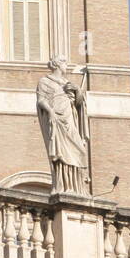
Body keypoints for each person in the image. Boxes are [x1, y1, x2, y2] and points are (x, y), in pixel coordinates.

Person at [35, 56, 91, 194]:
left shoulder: (68, 83)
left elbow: (79, 104)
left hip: (70, 119)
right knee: (61, 152)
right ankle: (64, 186)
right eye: (65, 63)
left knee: (79, 150)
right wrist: (51, 112)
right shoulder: (45, 81)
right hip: (56, 118)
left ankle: (77, 186)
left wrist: (77, 91)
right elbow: (41, 100)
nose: (67, 66)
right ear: (58, 65)